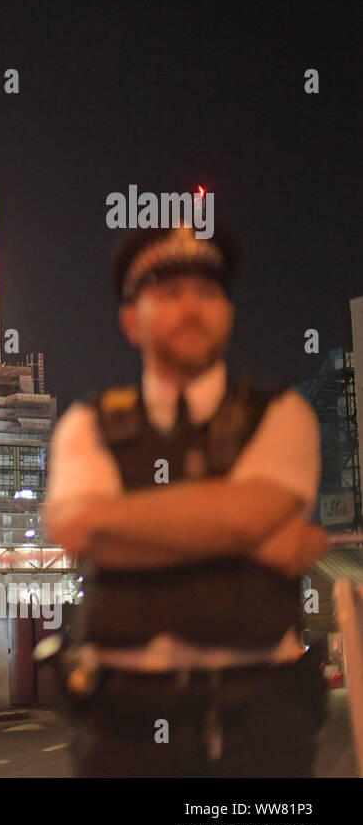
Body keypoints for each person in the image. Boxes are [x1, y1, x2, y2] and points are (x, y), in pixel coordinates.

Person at [41, 220, 329, 776]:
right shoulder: (87, 423)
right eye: (169, 293)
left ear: (229, 311)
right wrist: (241, 533)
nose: (191, 307)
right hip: (124, 725)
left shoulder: (282, 415)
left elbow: (249, 514)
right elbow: (77, 530)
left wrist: (118, 525)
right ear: (130, 320)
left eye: (207, 291)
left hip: (260, 724)